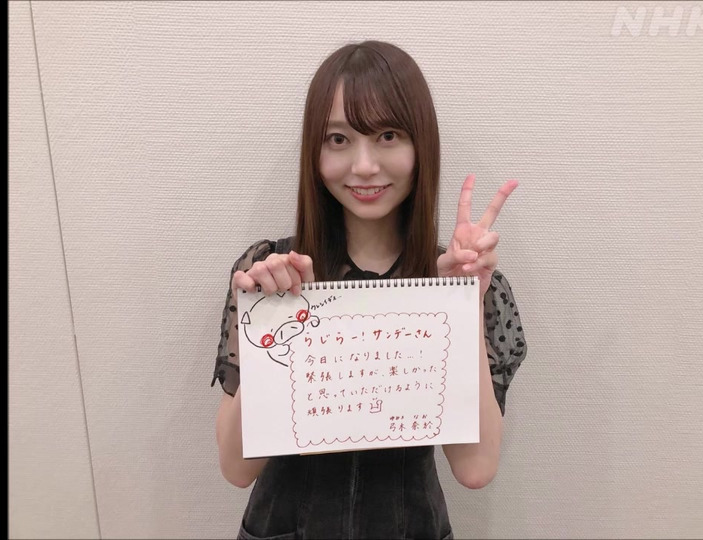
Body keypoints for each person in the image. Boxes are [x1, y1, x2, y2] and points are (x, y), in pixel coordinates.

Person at [211, 40, 526, 540]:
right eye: (338, 139)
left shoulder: (459, 284)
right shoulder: (269, 271)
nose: (363, 165)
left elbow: (475, 468)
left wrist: (463, 298)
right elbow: (236, 467)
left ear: (420, 146)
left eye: (387, 135)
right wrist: (269, 320)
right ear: (315, 152)